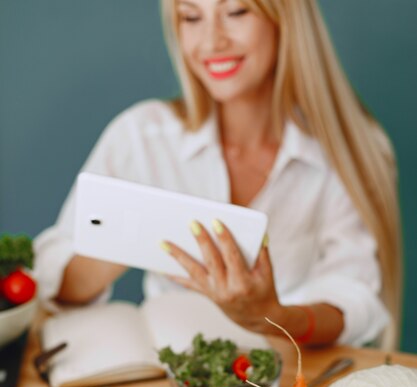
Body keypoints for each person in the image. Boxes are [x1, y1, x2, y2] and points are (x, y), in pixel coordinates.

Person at [34, 0, 402, 350]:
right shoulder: (142, 135)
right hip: (170, 373)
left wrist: (274, 317)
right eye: (191, 18)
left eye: (236, 12)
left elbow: (356, 298)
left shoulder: (349, 150)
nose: (211, 42)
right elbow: (52, 270)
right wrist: (122, 242)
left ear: (285, 20)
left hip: (292, 369)